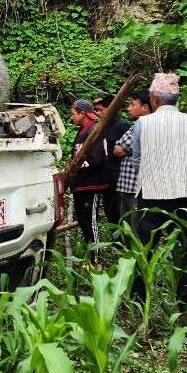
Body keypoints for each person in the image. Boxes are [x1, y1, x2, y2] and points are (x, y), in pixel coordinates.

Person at [130, 73, 187, 313]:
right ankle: (186, 308)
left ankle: (139, 303)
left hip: (151, 193)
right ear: (176, 98)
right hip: (186, 194)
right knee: (184, 251)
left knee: (145, 250)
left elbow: (136, 157)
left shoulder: (143, 123)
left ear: (153, 99)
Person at [69, 99, 109, 264]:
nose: (71, 118)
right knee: (83, 221)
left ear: (82, 113)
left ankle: (96, 260)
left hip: (91, 184)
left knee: (91, 222)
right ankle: (90, 255)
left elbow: (98, 159)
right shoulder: (81, 132)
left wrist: (76, 168)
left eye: (73, 114)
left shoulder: (95, 131)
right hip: (81, 185)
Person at [113, 91, 152, 233]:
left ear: (145, 107)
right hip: (128, 185)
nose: (129, 108)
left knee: (135, 227)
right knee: (128, 225)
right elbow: (118, 149)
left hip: (136, 186)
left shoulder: (142, 126)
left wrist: (124, 149)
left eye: (132, 104)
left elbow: (118, 150)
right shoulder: (134, 125)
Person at [93, 93, 131, 225]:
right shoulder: (100, 127)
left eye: (100, 110)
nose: (98, 113)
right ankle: (116, 243)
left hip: (120, 176)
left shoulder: (123, 125)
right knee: (110, 211)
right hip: (105, 176)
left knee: (121, 211)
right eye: (96, 110)